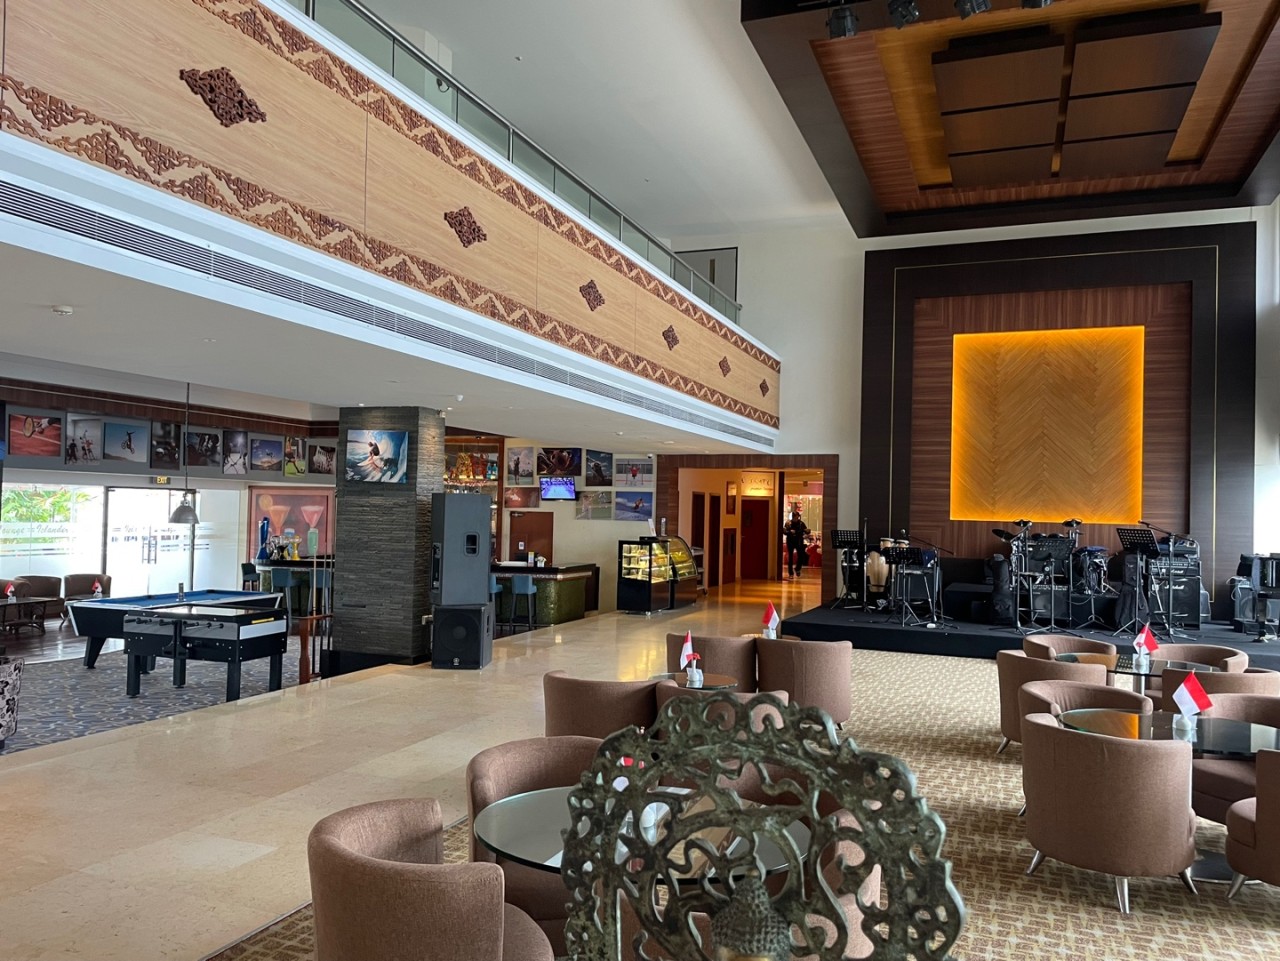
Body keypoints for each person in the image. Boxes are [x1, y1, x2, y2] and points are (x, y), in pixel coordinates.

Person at [784, 511, 809, 578]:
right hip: (790, 541)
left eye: (797, 517)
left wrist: (806, 532)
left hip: (799, 541)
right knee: (790, 557)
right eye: (795, 517)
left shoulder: (801, 523)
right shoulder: (788, 523)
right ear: (792, 517)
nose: (796, 519)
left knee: (801, 556)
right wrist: (790, 532)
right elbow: (784, 531)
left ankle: (797, 568)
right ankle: (791, 573)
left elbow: (805, 530)